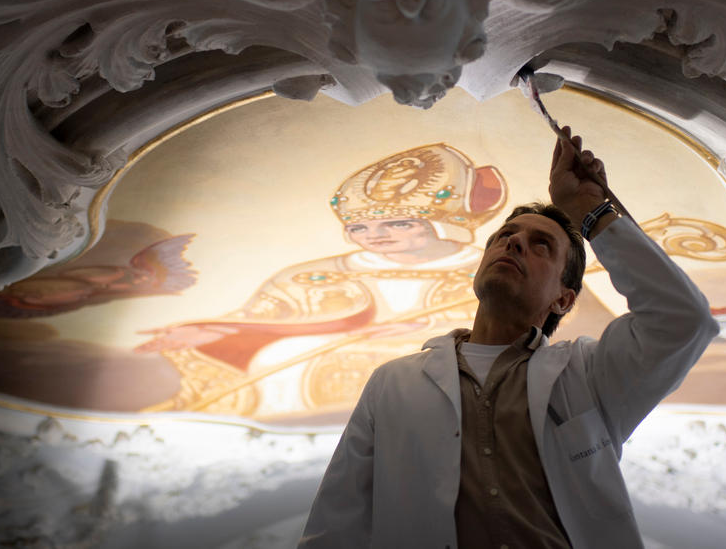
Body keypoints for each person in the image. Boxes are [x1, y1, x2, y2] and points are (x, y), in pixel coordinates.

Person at [299, 128, 719, 548]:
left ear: (563, 298)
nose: (514, 241)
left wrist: (588, 210)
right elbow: (336, 524)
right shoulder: (393, 383)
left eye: (541, 246)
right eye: (505, 236)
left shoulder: (589, 375)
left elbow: (683, 320)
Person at [133, 143, 507, 417]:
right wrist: (215, 331)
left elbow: (510, 324)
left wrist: (429, 327)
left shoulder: (487, 272)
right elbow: (268, 318)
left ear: (442, 226)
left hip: (436, 359)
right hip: (322, 359)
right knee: (278, 356)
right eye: (359, 227)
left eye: (399, 223)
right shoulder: (310, 275)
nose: (376, 236)